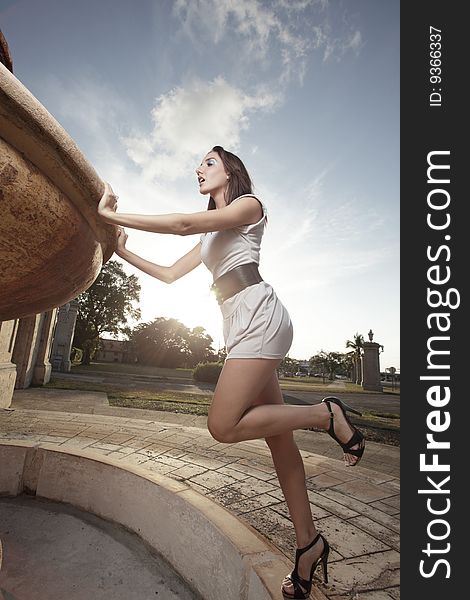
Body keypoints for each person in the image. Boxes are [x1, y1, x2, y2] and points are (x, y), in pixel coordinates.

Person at [97, 145, 365, 599]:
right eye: (199, 164)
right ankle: (309, 545)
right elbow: (166, 274)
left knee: (222, 425)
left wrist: (112, 215)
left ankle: (325, 414)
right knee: (281, 447)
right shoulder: (209, 240)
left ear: (230, 171)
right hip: (240, 327)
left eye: (208, 163)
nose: (198, 170)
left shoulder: (249, 207)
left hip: (260, 316)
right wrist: (122, 252)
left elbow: (182, 222)